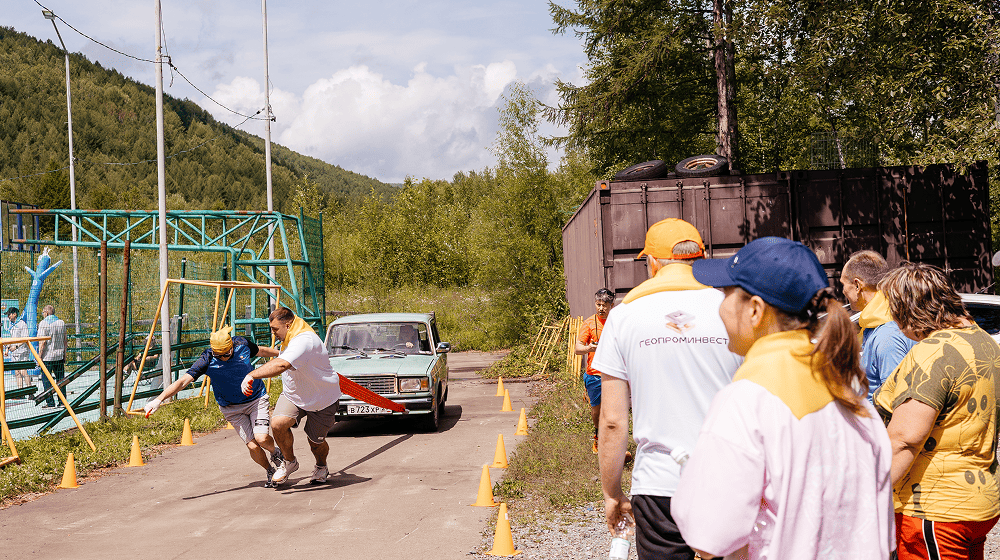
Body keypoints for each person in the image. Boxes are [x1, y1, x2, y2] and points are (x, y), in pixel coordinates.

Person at [670, 236, 894, 559]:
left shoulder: (746, 401)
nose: (718, 306)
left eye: (725, 293)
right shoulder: (851, 394)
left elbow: (708, 536)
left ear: (755, 311)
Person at [592, 218, 742, 560]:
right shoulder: (730, 308)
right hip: (726, 477)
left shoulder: (624, 316)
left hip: (658, 485)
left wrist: (612, 492)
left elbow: (614, 421)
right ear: (700, 258)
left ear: (654, 262)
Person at [874, 262, 1000, 560]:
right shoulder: (984, 342)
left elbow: (905, 438)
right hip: (979, 501)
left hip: (934, 508)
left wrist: (868, 494)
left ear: (909, 309)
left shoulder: (934, 351)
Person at [143, 325, 285, 487]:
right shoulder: (207, 359)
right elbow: (183, 381)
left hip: (256, 399)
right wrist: (159, 399)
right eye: (220, 355)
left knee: (261, 439)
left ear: (231, 346)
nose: (224, 358)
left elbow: (261, 351)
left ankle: (276, 453)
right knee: (253, 446)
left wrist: (282, 355)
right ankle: (269, 471)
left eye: (226, 354)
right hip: (231, 408)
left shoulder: (242, 344)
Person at [241, 307, 341, 486]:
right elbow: (280, 355)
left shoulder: (304, 340)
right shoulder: (290, 335)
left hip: (321, 398)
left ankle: (321, 466)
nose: (273, 334)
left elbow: (281, 365)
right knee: (277, 424)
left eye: (275, 329)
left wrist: (251, 375)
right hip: (294, 395)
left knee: (315, 444)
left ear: (288, 325)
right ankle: (289, 462)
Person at [840, 250, 916, 399]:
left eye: (843, 284)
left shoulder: (887, 335)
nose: (843, 291)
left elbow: (896, 399)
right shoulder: (876, 324)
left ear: (857, 285)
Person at [575, 287, 615, 454]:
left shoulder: (617, 321)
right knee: (597, 409)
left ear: (611, 305)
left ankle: (614, 442)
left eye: (604, 305)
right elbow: (577, 348)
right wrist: (589, 348)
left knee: (614, 410)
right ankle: (597, 437)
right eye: (598, 304)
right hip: (594, 375)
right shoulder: (589, 323)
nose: (601, 308)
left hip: (614, 374)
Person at [36, 305, 67, 408]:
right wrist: (64, 354)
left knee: (46, 380)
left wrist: (39, 357)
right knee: (60, 379)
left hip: (47, 357)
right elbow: (65, 340)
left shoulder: (44, 323)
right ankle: (62, 401)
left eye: (43, 312)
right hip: (59, 355)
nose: (42, 314)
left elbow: (42, 342)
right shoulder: (61, 323)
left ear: (47, 313)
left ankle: (50, 402)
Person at [5, 307, 31, 390]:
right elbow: (11, 338)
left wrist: (16, 347)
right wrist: (7, 349)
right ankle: (20, 392)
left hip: (22, 351)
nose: (8, 316)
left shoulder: (22, 324)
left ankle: (30, 391)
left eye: (9, 314)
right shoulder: (12, 325)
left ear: (15, 314)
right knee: (17, 372)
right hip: (15, 353)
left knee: (23, 371)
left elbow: (25, 338)